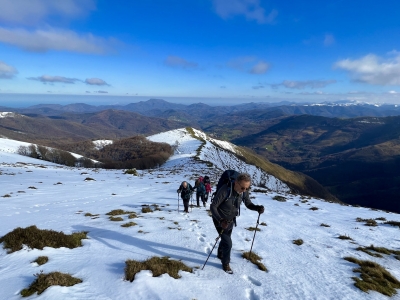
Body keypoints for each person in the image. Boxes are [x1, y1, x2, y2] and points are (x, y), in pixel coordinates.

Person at [210, 172, 264, 274]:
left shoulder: (243, 192)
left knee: (225, 239)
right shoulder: (225, 190)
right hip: (219, 219)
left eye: (247, 188)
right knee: (228, 243)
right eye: (243, 188)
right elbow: (213, 206)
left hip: (230, 220)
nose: (244, 191)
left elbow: (248, 203)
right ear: (236, 183)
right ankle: (225, 263)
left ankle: (220, 254)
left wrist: (257, 208)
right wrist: (220, 220)